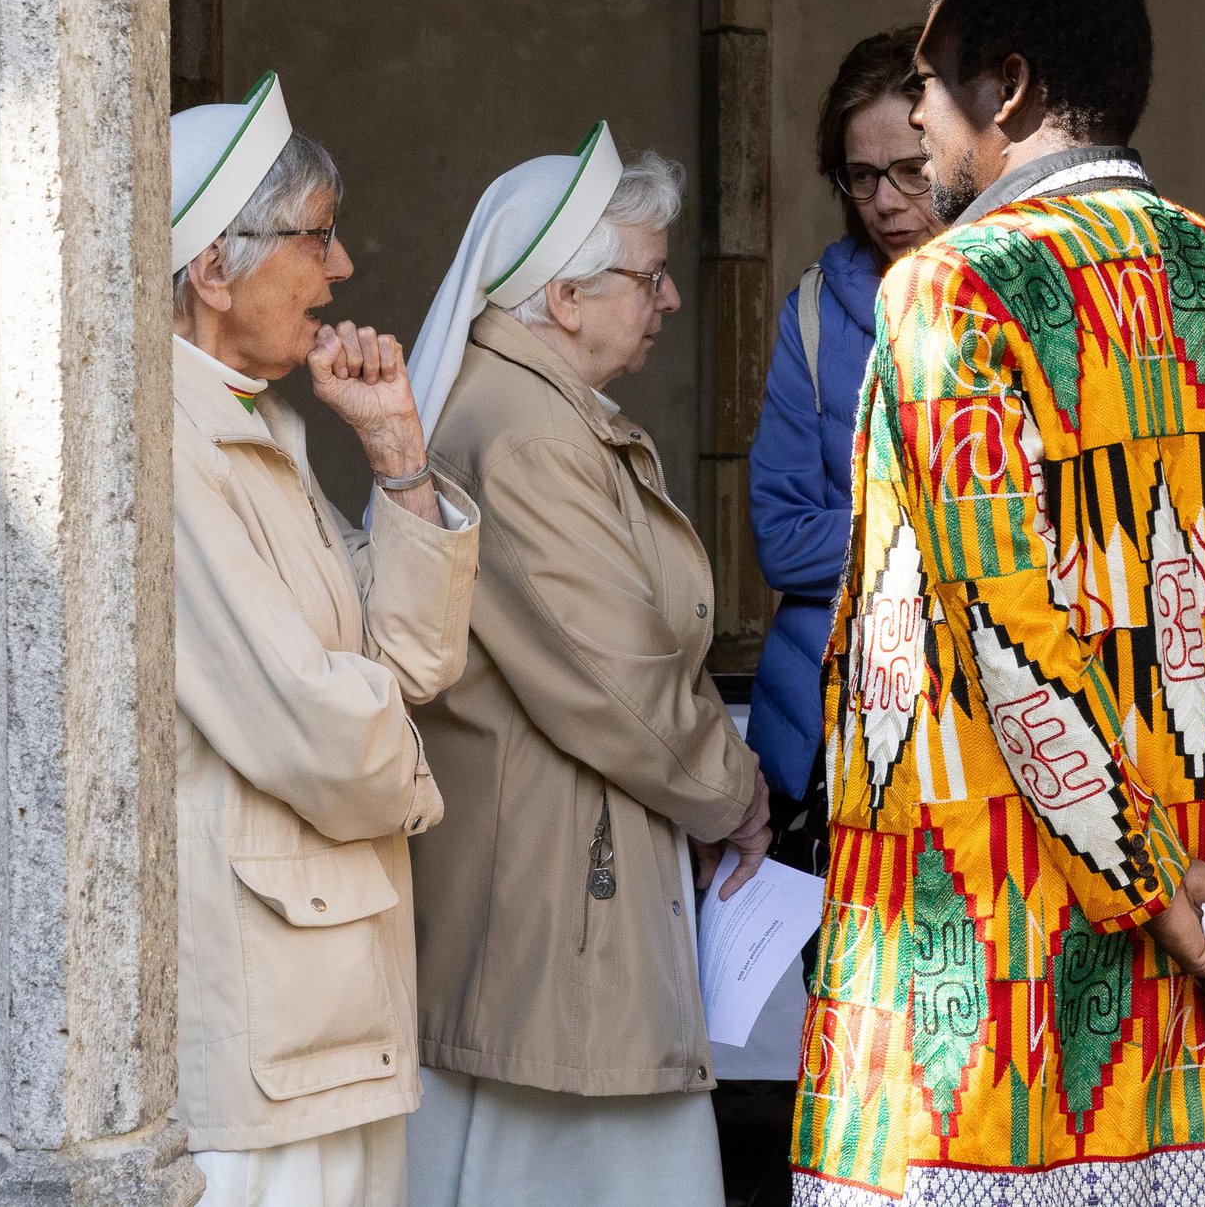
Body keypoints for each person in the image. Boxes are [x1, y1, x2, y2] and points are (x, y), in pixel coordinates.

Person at [791, 0, 1205, 1205]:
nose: (920, 119)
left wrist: (1143, 881)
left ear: (1012, 87)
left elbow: (1003, 629)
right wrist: (1191, 874)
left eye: (930, 85)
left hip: (992, 932)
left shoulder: (954, 288)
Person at [402, 124, 770, 1207]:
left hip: (563, 863)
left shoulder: (537, 413)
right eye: (648, 279)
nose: (665, 302)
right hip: (555, 889)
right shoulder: (525, 433)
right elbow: (619, 683)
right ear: (564, 297)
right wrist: (734, 793)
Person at [166, 72, 480, 1207]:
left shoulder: (271, 426)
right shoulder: (166, 441)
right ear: (212, 267)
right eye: (318, 238)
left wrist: (397, 454)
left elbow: (412, 664)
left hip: (333, 995)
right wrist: (405, 758)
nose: (342, 268)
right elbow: (316, 727)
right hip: (256, 1002)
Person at [746, 26, 942, 850]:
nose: (887, 202)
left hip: (969, 737)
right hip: (825, 744)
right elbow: (783, 541)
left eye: (910, 171)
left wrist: (867, 527)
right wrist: (944, 522)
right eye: (861, 177)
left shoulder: (1022, 301)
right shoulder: (816, 314)